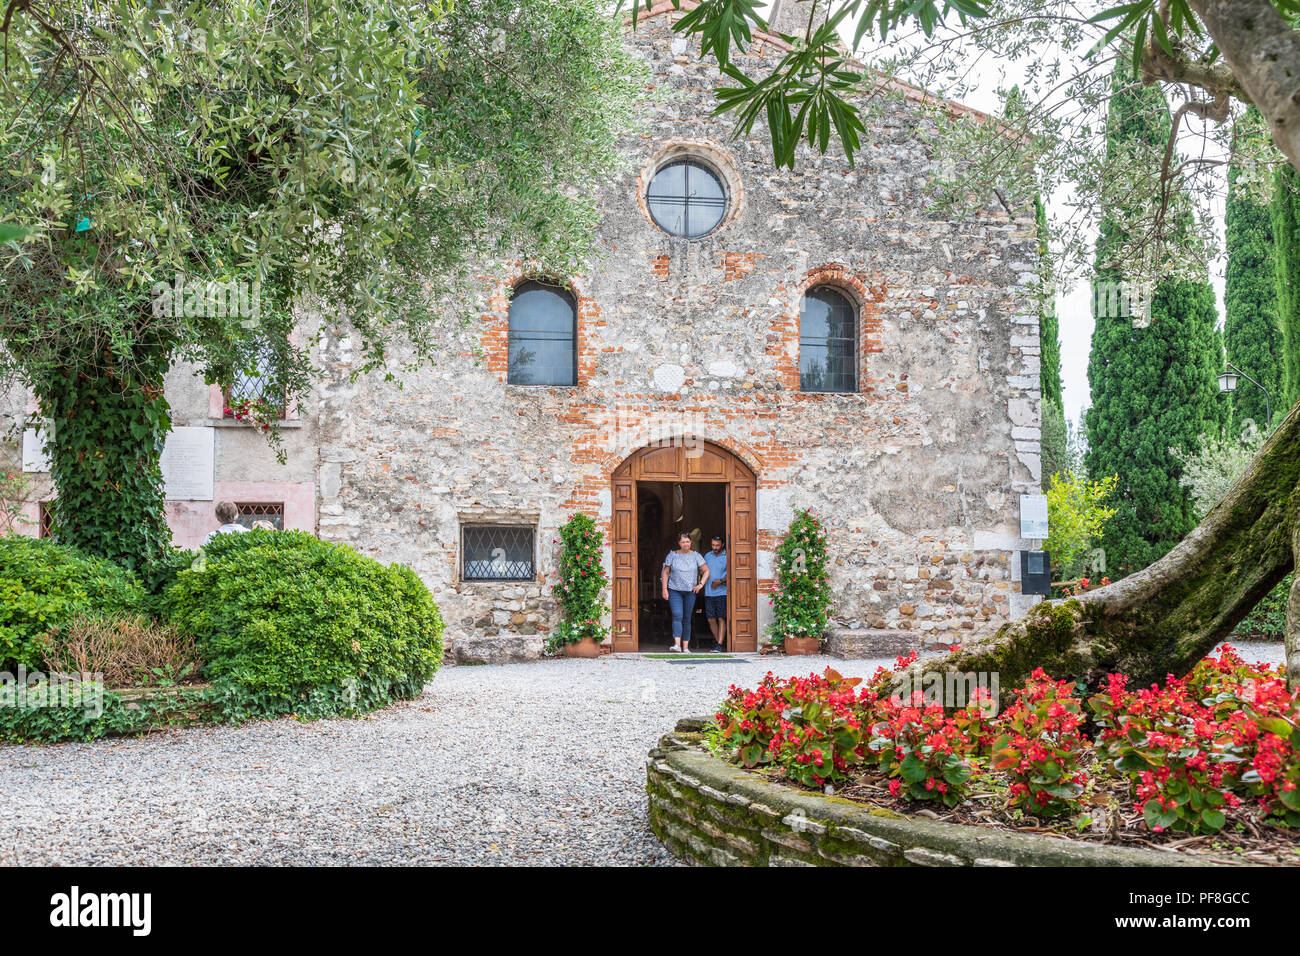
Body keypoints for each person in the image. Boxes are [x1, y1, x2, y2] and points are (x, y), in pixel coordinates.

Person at [661, 532, 708, 653]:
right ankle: (677, 645)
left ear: (691, 542)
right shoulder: (672, 555)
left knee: (687, 618)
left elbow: (706, 571)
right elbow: (665, 572)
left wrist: (700, 584)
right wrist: (664, 589)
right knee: (677, 615)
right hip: (674, 589)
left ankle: (686, 647)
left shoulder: (696, 556)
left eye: (687, 542)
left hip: (690, 591)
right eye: (683, 542)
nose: (685, 544)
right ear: (679, 543)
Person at [702, 535, 727, 652]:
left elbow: (733, 573)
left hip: (722, 592)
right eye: (713, 545)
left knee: (721, 618)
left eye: (717, 545)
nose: (715, 547)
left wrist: (721, 581)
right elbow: (702, 570)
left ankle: (719, 644)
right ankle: (719, 644)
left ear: (722, 545)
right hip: (709, 593)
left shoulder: (727, 556)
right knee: (711, 619)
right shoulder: (707, 556)